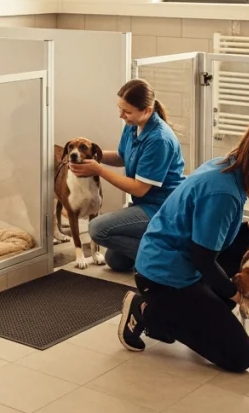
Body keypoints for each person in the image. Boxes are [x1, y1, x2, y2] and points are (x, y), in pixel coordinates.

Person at [115, 119, 249, 373]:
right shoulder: (224, 192)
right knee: (240, 357)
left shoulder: (227, 167)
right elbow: (203, 258)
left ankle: (184, 316)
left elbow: (207, 226)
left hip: (177, 262)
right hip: (163, 278)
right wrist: (238, 295)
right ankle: (149, 311)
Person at [68, 79, 185, 272]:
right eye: (120, 109)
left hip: (161, 208)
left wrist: (98, 169)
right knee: (116, 260)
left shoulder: (159, 140)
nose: (121, 115)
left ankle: (172, 261)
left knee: (97, 229)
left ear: (147, 110)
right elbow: (122, 157)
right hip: (144, 204)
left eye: (127, 111)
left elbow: (139, 188)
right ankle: (155, 244)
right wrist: (87, 155)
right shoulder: (133, 126)